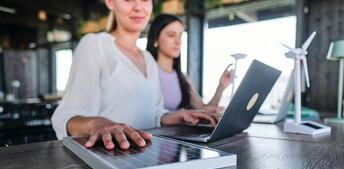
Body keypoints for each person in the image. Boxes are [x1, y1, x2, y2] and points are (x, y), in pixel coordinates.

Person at [51, 0, 218, 150]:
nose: (138, 7)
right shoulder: (96, 45)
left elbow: (154, 115)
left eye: (145, 0)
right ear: (110, 2)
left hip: (144, 153)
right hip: (107, 153)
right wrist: (98, 123)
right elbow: (65, 116)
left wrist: (182, 115)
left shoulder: (148, 59)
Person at [146, 14, 232, 112]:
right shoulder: (146, 72)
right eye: (171, 35)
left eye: (180, 35)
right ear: (156, 38)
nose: (178, 41)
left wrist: (221, 87)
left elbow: (203, 110)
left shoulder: (183, 78)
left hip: (177, 128)